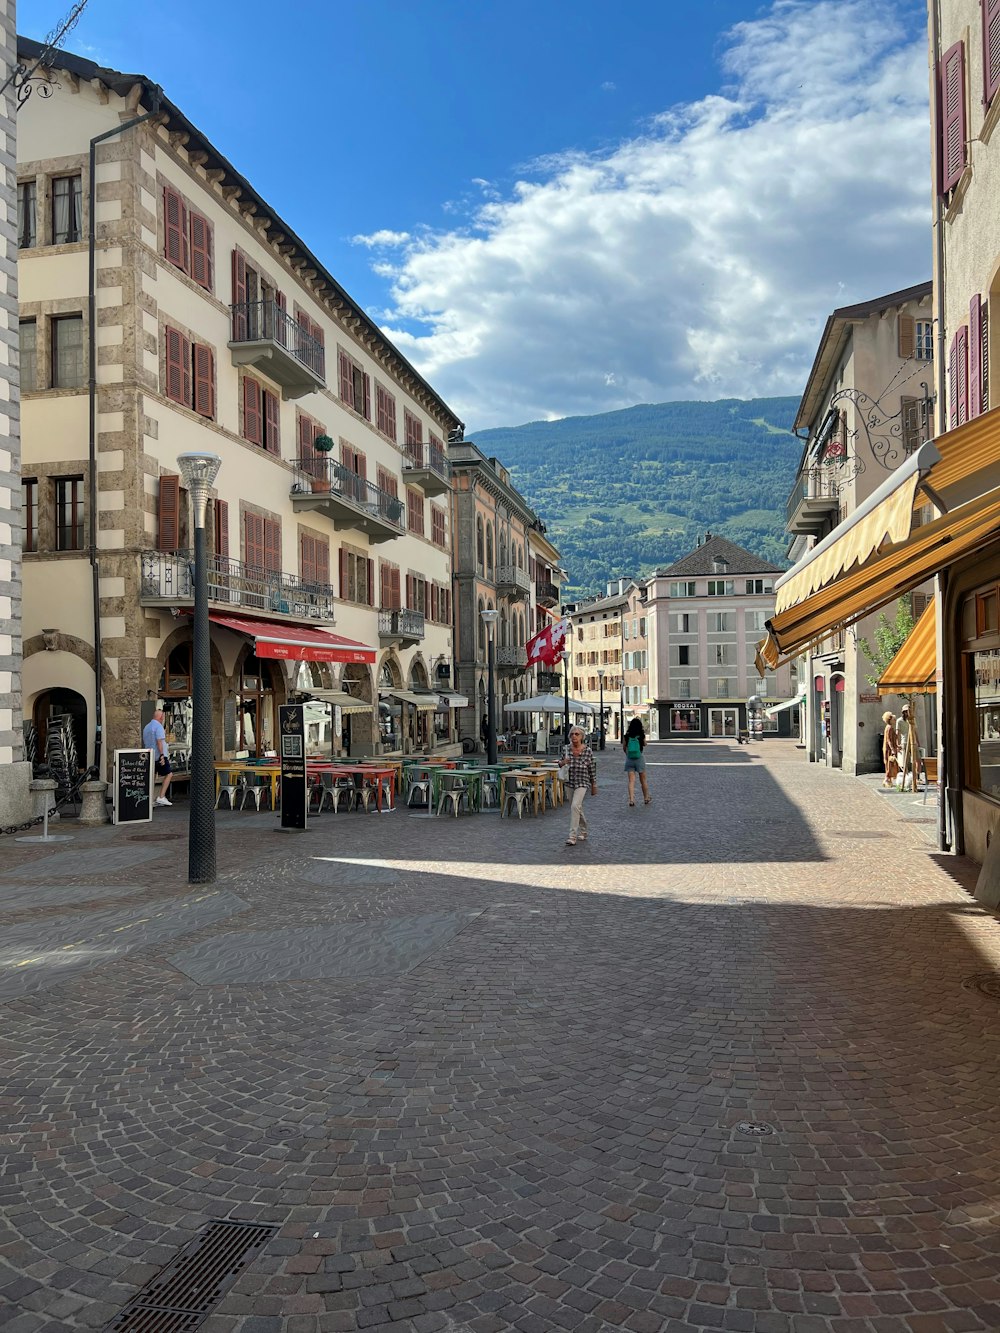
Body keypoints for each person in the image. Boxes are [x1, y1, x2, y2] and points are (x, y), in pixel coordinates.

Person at [563, 724, 597, 846]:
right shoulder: (566, 749)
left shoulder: (587, 751)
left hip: (582, 782)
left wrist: (594, 784)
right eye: (572, 734)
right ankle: (584, 830)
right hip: (569, 782)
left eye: (577, 734)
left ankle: (572, 836)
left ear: (582, 736)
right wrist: (562, 762)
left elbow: (592, 768)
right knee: (577, 807)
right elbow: (561, 765)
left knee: (574, 806)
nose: (574, 736)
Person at [143, 704, 173, 807]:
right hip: (159, 755)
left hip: (149, 755)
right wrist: (162, 755)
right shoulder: (159, 727)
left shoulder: (146, 727)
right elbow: (159, 741)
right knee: (169, 774)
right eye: (163, 718)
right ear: (161, 718)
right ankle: (161, 796)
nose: (163, 719)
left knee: (152, 777)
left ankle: (149, 799)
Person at [623, 718, 651, 806]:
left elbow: (624, 747)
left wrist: (628, 754)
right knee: (643, 780)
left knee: (631, 781)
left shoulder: (627, 735)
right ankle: (646, 798)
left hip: (629, 759)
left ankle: (631, 799)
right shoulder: (641, 735)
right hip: (639, 758)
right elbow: (645, 744)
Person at [881, 710, 899, 789]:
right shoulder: (889, 728)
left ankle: (889, 780)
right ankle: (887, 779)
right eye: (893, 719)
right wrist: (892, 749)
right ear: (889, 719)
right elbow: (889, 740)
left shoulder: (890, 727)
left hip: (890, 748)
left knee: (891, 764)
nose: (894, 721)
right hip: (888, 749)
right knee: (889, 764)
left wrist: (897, 746)